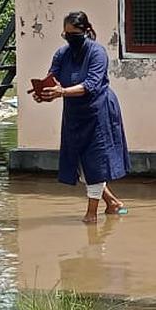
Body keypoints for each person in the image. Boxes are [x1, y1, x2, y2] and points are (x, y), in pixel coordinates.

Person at [34, 11, 130, 223]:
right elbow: (54, 80)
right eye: (66, 34)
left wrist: (62, 92)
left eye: (74, 33)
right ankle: (113, 203)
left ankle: (91, 215)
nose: (69, 38)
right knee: (79, 162)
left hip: (98, 111)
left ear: (86, 31)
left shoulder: (98, 53)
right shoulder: (62, 54)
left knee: (95, 162)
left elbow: (91, 84)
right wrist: (46, 94)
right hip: (74, 114)